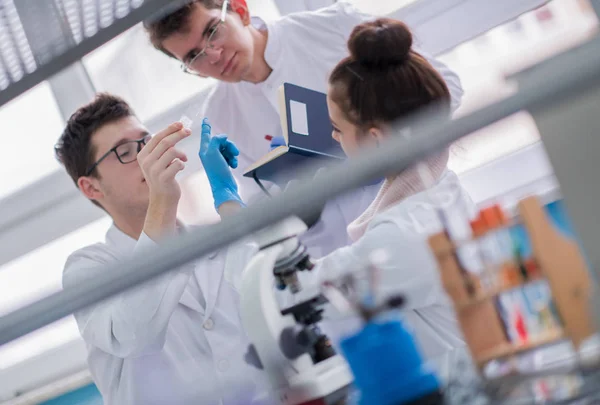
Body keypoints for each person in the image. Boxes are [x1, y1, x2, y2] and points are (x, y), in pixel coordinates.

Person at [199, 18, 476, 383]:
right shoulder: (444, 191)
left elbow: (286, 293)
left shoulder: (397, 238)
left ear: (375, 139)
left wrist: (227, 201)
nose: (331, 138)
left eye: (336, 129)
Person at [143, 0, 464, 259]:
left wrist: (374, 143)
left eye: (213, 32)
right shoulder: (219, 115)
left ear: (240, 9)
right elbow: (261, 208)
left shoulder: (332, 27)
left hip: (419, 217)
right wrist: (294, 202)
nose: (213, 55)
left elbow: (444, 88)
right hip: (336, 261)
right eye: (193, 56)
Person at [54, 93, 263, 405]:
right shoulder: (87, 269)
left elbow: (273, 296)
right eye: (124, 151)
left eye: (146, 141)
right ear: (91, 187)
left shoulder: (213, 242)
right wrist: (163, 202)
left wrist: (232, 205)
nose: (144, 156)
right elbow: (135, 335)